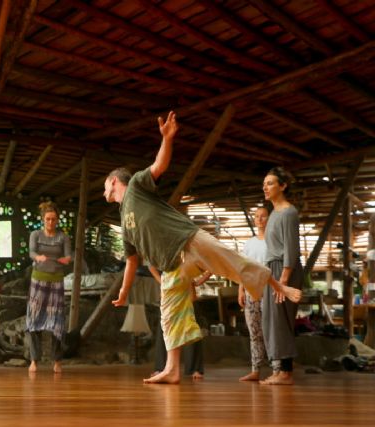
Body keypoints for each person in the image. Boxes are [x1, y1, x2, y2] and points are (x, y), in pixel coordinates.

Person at [105, 111, 302, 384]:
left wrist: (167, 139)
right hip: (171, 264)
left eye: (106, 186)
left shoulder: (137, 185)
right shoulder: (124, 223)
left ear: (114, 181)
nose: (104, 191)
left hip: (189, 240)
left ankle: (279, 286)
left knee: (231, 261)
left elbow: (159, 166)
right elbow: (131, 261)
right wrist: (125, 291)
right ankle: (172, 370)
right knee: (169, 315)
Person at [260, 167, 303, 385]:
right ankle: (279, 370)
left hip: (284, 271)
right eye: (264, 183)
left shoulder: (288, 212)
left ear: (283, 186)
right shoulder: (274, 213)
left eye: (270, 183)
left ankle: (286, 373)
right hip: (272, 271)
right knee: (271, 319)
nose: (265, 187)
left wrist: (283, 281)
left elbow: (291, 249)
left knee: (281, 319)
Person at [26, 201, 71, 373]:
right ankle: (34, 360)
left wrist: (66, 259)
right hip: (38, 281)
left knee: (57, 321)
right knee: (34, 319)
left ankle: (57, 361)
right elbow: (31, 252)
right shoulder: (35, 235)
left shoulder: (63, 237)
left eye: (53, 219)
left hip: (56, 281)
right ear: (42, 219)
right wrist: (37, 257)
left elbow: (68, 255)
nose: (51, 222)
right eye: (48, 219)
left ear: (57, 220)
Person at [238, 207, 278, 381]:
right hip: (250, 291)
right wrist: (241, 290)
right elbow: (242, 268)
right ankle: (255, 370)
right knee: (254, 331)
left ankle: (277, 369)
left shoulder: (273, 242)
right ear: (254, 220)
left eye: (263, 216)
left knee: (272, 330)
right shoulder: (249, 243)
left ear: (269, 219)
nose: (260, 219)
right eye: (257, 216)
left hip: (269, 291)